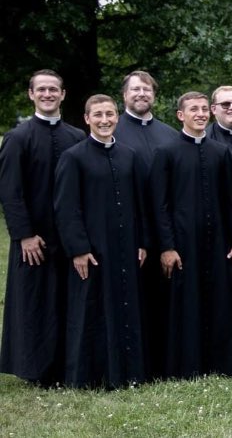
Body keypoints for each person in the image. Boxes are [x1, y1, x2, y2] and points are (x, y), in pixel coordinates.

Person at [54, 94, 149, 388]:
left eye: (110, 114)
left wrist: (142, 242)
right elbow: (66, 208)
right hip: (93, 249)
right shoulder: (73, 157)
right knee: (92, 310)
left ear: (117, 118)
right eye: (98, 115)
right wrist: (79, 249)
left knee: (126, 307)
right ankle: (91, 377)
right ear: (87, 119)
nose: (105, 120)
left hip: (126, 246)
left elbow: (140, 204)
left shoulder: (129, 155)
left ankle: (128, 373)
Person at [0, 70, 85, 387]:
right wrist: (23, 234)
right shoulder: (18, 138)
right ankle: (35, 368)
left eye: (54, 89)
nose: (48, 94)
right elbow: (10, 191)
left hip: (69, 238)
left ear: (63, 95)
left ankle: (67, 363)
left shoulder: (76, 137)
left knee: (67, 299)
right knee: (35, 302)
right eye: (42, 89)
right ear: (31, 94)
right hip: (33, 238)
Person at [150, 91, 232, 378]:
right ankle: (186, 366)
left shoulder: (220, 152)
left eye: (204, 109)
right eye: (194, 109)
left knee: (219, 302)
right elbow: (159, 205)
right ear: (181, 115)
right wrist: (166, 246)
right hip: (182, 243)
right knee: (185, 304)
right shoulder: (166, 153)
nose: (201, 114)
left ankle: (220, 363)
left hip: (217, 243)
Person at [112, 70, 178, 379]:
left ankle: (166, 361)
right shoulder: (113, 132)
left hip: (167, 232)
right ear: (124, 95)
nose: (142, 94)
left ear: (154, 95)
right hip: (129, 232)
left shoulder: (169, 134)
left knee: (166, 299)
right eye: (135, 89)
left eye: (147, 89)